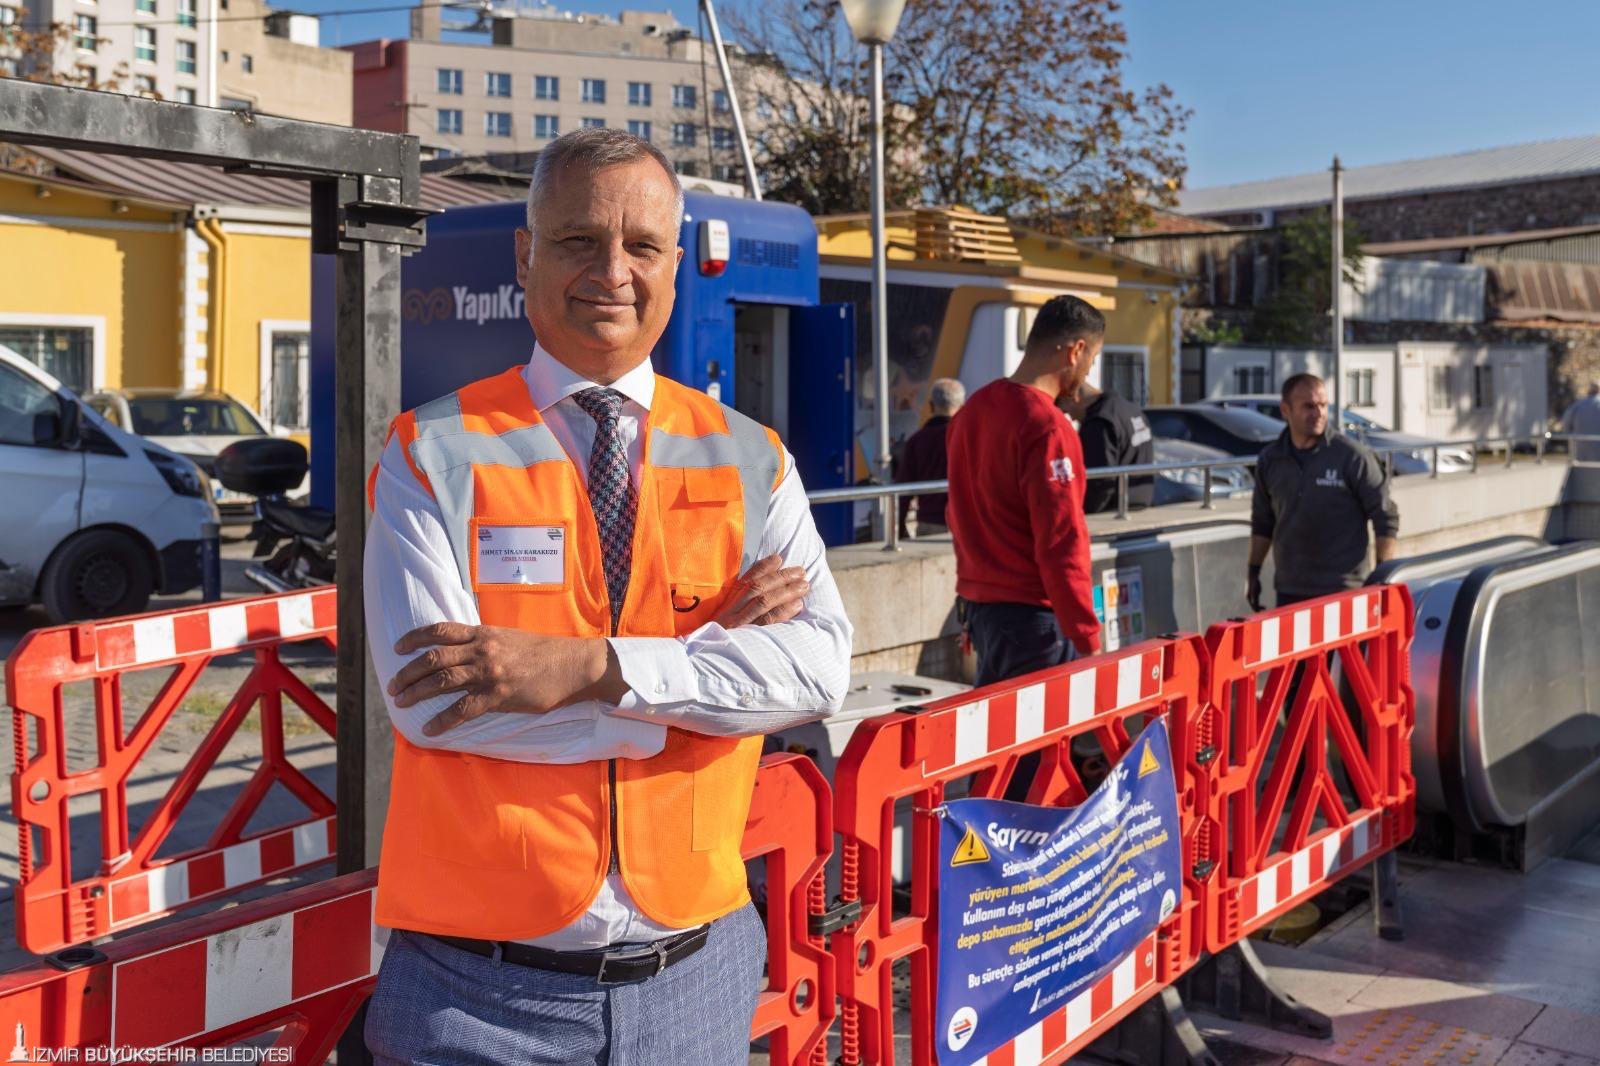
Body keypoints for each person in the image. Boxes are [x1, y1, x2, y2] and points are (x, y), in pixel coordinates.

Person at [361, 129, 853, 1066]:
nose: (612, 271)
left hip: (697, 979)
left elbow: (820, 673)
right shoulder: (432, 450)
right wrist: (708, 684)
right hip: (476, 997)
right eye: (580, 239)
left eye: (640, 246)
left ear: (675, 262)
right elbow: (436, 709)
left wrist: (587, 669)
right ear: (525, 253)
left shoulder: (753, 455)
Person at [946, 295, 1104, 688]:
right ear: (1076, 351)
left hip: (981, 610)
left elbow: (958, 512)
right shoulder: (1048, 427)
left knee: (1001, 743)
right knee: (1044, 747)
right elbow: (1062, 539)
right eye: (1092, 360)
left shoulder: (972, 412)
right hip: (1034, 621)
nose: (1087, 373)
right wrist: (1087, 636)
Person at [1248, 373, 1399, 610]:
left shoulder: (1352, 457)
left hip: (1344, 592)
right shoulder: (1271, 459)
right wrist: (1253, 573)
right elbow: (1262, 522)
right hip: (1291, 591)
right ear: (1285, 410)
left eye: (1323, 405)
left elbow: (1386, 517)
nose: (1318, 413)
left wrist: (1382, 579)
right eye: (1308, 406)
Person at [1061, 381, 1155, 514]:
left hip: (1111, 514)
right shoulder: (1132, 410)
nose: (1071, 418)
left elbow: (1100, 483)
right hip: (1141, 507)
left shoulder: (1099, 422)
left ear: (1074, 397)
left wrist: (1082, 512)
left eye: (1067, 411)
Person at [895, 377, 964, 537]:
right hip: (963, 522)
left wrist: (899, 529)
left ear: (931, 406)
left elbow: (904, 488)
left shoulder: (917, 440)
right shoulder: (968, 438)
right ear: (962, 407)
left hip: (929, 523)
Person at [1561, 382, 1600, 462]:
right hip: (1597, 447)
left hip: (1580, 447)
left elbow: (1566, 422)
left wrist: (1570, 436)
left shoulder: (1578, 405)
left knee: (1581, 469)